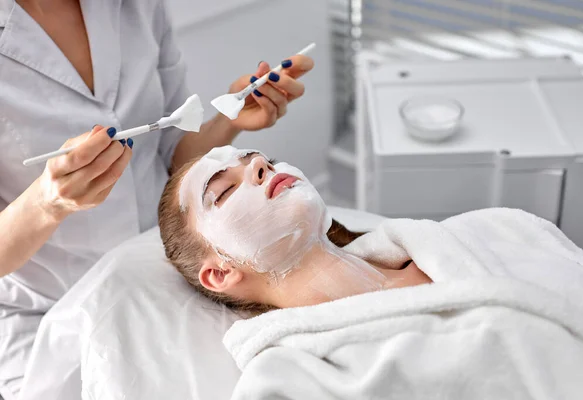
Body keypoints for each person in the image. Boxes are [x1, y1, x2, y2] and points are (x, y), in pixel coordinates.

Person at [0, 0, 314, 397]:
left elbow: (170, 155)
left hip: (162, 276)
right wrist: (47, 203)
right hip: (47, 317)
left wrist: (228, 122)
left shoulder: (139, 6)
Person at [159, 146, 433, 314]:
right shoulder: (290, 372)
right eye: (224, 191)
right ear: (220, 273)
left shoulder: (429, 250)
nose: (261, 165)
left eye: (269, 161)